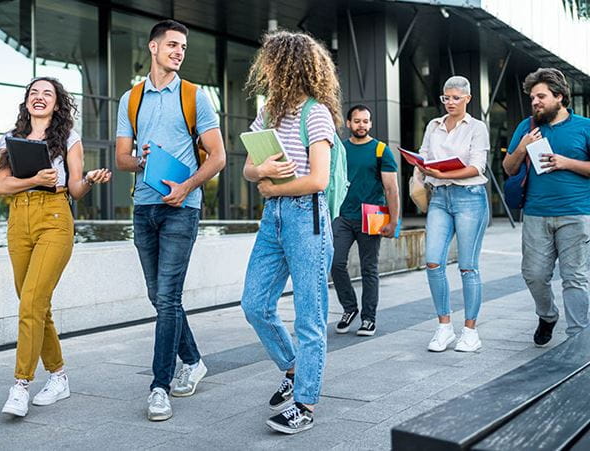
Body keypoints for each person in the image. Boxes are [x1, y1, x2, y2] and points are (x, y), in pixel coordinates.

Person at [114, 20, 226, 422]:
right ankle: (193, 359)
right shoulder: (131, 99)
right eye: (173, 45)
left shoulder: (196, 97)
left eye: (183, 47)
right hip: (144, 207)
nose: (179, 51)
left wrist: (188, 187)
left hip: (183, 207)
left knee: (166, 298)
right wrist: (143, 159)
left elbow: (218, 156)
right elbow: (122, 158)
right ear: (153, 47)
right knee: (159, 296)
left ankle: (159, 386)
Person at [240, 30, 341, 435]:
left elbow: (318, 180)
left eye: (270, 62)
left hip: (307, 219)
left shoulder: (317, 114)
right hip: (274, 219)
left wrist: (272, 186)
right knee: (254, 303)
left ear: (287, 66)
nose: (264, 68)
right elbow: (250, 167)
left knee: (310, 317)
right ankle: (294, 366)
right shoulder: (268, 114)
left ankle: (305, 402)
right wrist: (260, 173)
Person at [0, 77, 112, 417]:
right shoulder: (11, 138)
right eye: (33, 92)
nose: (39, 97)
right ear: (26, 102)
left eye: (47, 93)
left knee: (31, 301)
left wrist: (89, 179)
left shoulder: (69, 139)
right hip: (18, 220)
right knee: (35, 304)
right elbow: (2, 185)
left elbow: (75, 188)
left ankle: (20, 385)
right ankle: (58, 376)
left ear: (57, 104)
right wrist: (34, 179)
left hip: (54, 218)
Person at [502, 67, 590, 345]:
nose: (535, 102)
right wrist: (522, 147)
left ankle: (578, 338)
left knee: (575, 276)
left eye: (541, 96)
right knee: (534, 274)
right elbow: (508, 168)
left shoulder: (585, 127)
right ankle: (548, 315)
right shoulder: (526, 128)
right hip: (536, 214)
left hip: (577, 213)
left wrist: (566, 163)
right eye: (532, 98)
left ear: (560, 97)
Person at [419, 76, 490, 353]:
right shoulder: (433, 125)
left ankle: (470, 331)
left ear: (467, 99)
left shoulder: (477, 127)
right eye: (446, 98)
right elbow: (425, 155)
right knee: (433, 262)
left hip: (469, 198)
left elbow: (477, 167)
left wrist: (442, 171)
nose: (450, 102)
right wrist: (423, 166)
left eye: (455, 98)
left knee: (467, 266)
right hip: (439, 197)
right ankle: (445, 327)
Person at [332, 104, 400, 336]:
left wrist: (393, 221)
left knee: (369, 268)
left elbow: (392, 189)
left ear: (370, 124)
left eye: (366, 121)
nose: (362, 125)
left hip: (372, 216)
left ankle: (368, 318)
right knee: (335, 263)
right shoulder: (339, 150)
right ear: (349, 123)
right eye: (357, 121)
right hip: (343, 215)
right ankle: (349, 308)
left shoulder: (381, 150)